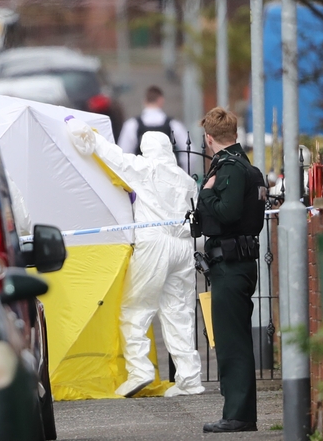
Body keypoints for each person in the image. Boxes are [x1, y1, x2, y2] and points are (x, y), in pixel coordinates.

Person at [65, 116, 205, 399]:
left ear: (147, 150)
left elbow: (114, 157)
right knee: (179, 313)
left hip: (154, 242)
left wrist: (86, 133)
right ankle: (190, 379)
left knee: (135, 309)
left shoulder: (146, 168)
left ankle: (140, 370)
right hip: (182, 247)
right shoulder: (185, 179)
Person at [196, 107, 266, 433]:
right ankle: (237, 412)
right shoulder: (242, 165)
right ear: (234, 135)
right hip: (234, 263)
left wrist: (207, 193)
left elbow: (227, 210)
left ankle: (238, 415)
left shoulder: (230, 169)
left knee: (231, 343)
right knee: (230, 340)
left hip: (231, 265)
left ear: (209, 138)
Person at [116, 86, 191, 172]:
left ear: (144, 101)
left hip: (141, 180)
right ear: (161, 100)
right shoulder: (174, 125)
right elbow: (190, 155)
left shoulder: (132, 125)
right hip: (169, 179)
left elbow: (123, 156)